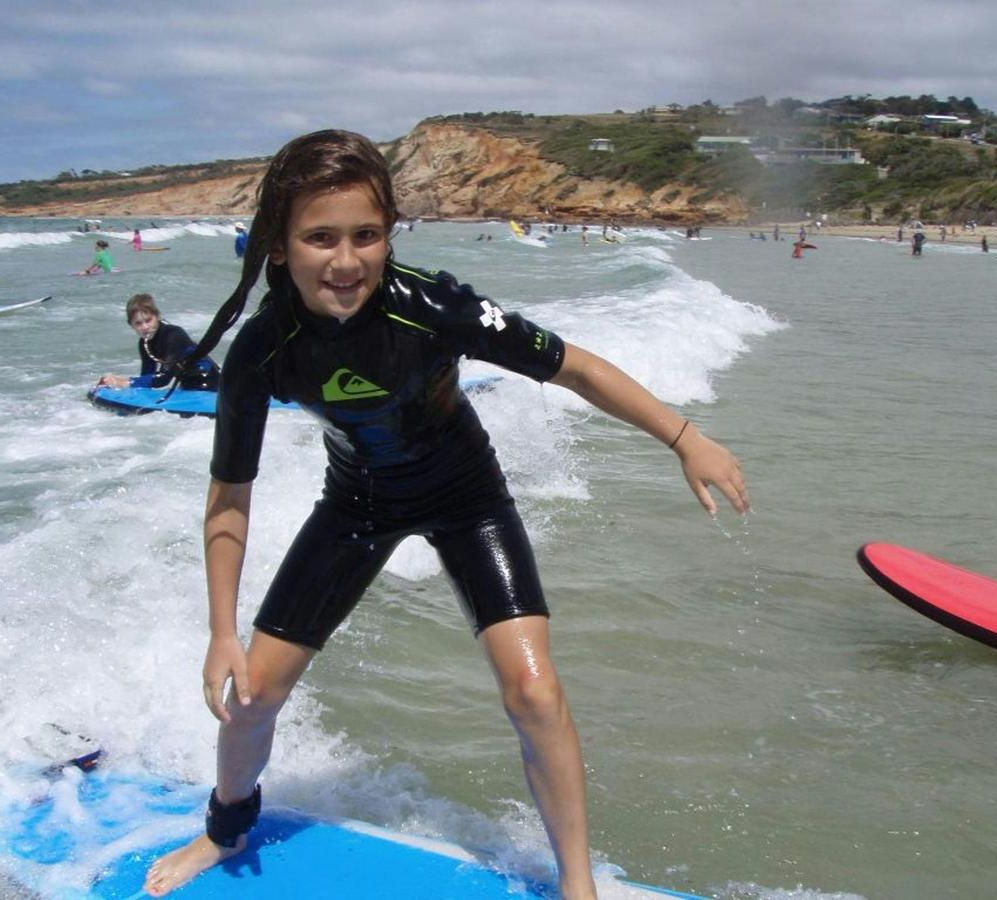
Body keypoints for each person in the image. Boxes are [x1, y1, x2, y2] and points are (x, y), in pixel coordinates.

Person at [141, 130, 749, 900]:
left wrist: (684, 437)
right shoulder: (265, 348)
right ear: (278, 244)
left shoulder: (433, 307)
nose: (346, 259)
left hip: (467, 496)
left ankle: (577, 885)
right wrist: (222, 632)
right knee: (252, 693)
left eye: (366, 235)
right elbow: (230, 495)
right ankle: (223, 830)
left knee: (534, 692)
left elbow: (578, 367)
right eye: (320, 237)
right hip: (356, 502)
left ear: (391, 232)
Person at [98, 293, 219, 390]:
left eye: (148, 320)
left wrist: (124, 381)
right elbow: (147, 376)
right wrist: (121, 384)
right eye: (138, 323)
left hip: (210, 383)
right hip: (187, 385)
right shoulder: (144, 344)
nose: (145, 327)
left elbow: (163, 379)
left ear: (158, 316)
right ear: (131, 325)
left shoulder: (173, 335)